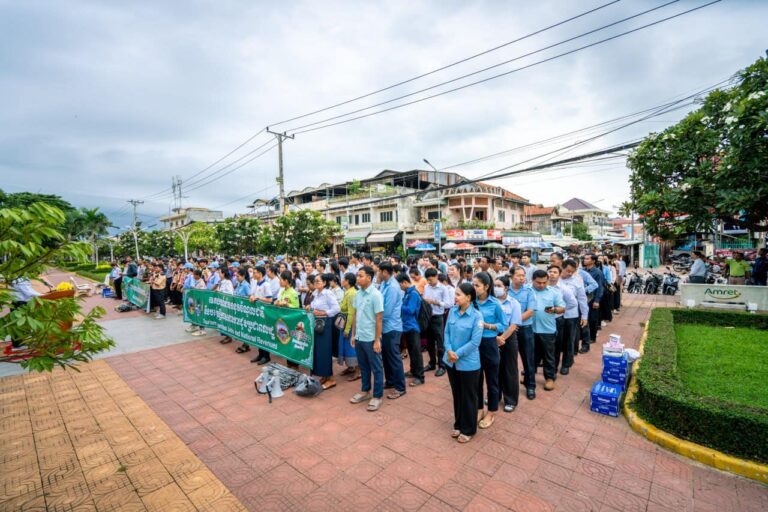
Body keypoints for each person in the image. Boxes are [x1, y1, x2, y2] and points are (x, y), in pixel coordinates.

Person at [444, 282, 484, 443]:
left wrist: (457, 354)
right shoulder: (453, 311)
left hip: (468, 363)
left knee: (469, 396)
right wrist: (448, 350)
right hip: (450, 361)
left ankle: (469, 428)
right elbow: (446, 332)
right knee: (457, 393)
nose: (455, 297)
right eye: (455, 294)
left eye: (458, 294)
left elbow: (475, 342)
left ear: (468, 297)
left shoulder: (477, 316)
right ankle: (459, 423)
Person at [472, 272, 506, 430]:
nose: (474, 288)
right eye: (473, 284)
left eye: (477, 285)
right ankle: (479, 409)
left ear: (486, 286)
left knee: (492, 380)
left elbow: (503, 325)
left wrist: (487, 326)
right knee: (476, 379)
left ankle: (491, 412)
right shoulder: (472, 302)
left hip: (489, 343)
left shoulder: (495, 303)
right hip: (474, 344)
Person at [349, 266, 385, 412]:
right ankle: (365, 391)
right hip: (359, 337)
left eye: (360, 276)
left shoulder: (376, 295)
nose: (357, 278)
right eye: (357, 276)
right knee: (363, 366)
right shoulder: (358, 294)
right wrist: (353, 334)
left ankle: (377, 396)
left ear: (369, 278)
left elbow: (379, 319)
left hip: (371, 338)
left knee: (376, 368)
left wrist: (377, 340)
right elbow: (355, 315)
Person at [530, 270, 565, 391]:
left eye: (544, 282)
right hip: (530, 329)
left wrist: (554, 310)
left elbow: (562, 308)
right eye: (538, 282)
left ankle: (550, 378)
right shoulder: (527, 291)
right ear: (532, 280)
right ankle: (530, 377)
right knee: (531, 355)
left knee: (548, 356)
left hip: (547, 329)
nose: (541, 285)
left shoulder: (554, 292)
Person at [307, 273, 340, 390]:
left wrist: (322, 313)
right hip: (317, 324)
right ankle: (324, 375)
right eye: (315, 281)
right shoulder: (316, 294)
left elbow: (336, 309)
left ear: (324, 283)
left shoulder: (328, 293)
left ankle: (331, 379)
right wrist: (310, 307)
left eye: (318, 281)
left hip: (325, 324)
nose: (315, 283)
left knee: (325, 351)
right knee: (318, 351)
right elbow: (315, 306)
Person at [378, 262, 406, 399]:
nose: (377, 274)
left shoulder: (393, 287)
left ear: (385, 272)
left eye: (379, 271)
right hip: (385, 327)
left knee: (394, 357)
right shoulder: (384, 284)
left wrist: (375, 317)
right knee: (387, 357)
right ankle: (390, 381)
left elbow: (387, 311)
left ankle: (400, 387)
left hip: (392, 327)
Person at [494, 275, 521, 413]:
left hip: (508, 338)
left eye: (499, 286)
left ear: (506, 288)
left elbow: (513, 325)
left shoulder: (514, 303)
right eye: (495, 285)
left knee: (509, 370)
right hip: (492, 337)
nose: (496, 288)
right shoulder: (491, 302)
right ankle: (495, 396)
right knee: (494, 369)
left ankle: (510, 400)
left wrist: (501, 339)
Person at [508, 267, 536, 400]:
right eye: (518, 275)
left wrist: (515, 323)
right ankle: (507, 387)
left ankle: (530, 385)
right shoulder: (505, 290)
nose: (521, 278)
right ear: (511, 276)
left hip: (524, 328)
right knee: (508, 361)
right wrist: (511, 326)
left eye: (523, 276)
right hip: (508, 330)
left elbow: (530, 311)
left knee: (528, 359)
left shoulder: (529, 291)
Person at [559, 260, 589, 374]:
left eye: (572, 271)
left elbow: (582, 299)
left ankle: (566, 363)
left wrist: (585, 316)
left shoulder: (577, 281)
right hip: (555, 315)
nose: (570, 273)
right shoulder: (555, 278)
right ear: (562, 267)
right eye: (568, 271)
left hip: (571, 315)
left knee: (569, 340)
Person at [423, 268, 452, 377]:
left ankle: (442, 365)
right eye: (428, 280)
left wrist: (436, 302)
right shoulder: (426, 287)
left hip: (438, 317)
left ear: (436, 276)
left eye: (431, 279)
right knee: (429, 342)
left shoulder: (443, 288)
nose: (430, 282)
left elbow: (449, 304)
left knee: (440, 342)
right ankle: (432, 363)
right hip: (428, 317)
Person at [397, 273, 425, 387]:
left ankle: (420, 376)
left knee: (416, 352)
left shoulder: (413, 294)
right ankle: (413, 371)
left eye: (400, 285)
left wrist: (399, 305)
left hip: (413, 326)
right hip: (407, 326)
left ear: (404, 282)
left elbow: (410, 310)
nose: (399, 287)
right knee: (411, 351)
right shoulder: (407, 293)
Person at [248, 266, 273, 361]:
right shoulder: (255, 283)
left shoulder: (266, 284)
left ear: (260, 274)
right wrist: (252, 297)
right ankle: (260, 354)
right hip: (257, 312)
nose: (253, 274)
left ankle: (266, 356)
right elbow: (252, 294)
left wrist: (258, 298)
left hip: (264, 313)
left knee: (264, 334)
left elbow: (270, 299)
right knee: (258, 333)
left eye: (255, 272)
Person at [581, 254, 605, 352]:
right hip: (584, 298)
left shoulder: (597, 272)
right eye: (584, 258)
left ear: (593, 261)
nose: (585, 260)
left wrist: (597, 300)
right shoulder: (583, 271)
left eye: (587, 259)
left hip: (593, 298)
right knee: (585, 318)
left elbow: (600, 287)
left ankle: (592, 337)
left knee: (592, 318)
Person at [338, 272, 359, 381]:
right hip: (345, 321)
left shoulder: (351, 294)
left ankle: (357, 370)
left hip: (349, 324)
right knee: (346, 347)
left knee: (351, 347)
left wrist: (347, 329)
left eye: (343, 279)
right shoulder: (348, 292)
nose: (341, 281)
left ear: (347, 281)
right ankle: (350, 367)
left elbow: (351, 313)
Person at [217, 268, 235, 344]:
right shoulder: (221, 282)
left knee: (226, 320)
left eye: (220, 273)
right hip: (222, 303)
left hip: (226, 304)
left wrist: (220, 291)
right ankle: (225, 335)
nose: (219, 274)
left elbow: (230, 293)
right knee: (222, 320)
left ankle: (229, 336)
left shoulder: (228, 282)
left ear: (223, 273)